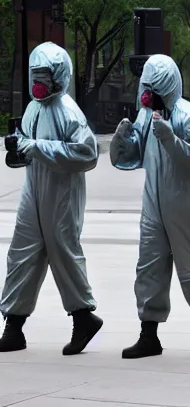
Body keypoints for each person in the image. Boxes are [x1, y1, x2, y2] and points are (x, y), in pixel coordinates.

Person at [110, 54, 190, 360]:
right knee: (149, 267)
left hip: (183, 203)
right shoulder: (146, 116)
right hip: (153, 203)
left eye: (152, 88)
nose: (147, 94)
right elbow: (135, 156)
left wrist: (174, 141)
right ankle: (149, 334)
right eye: (145, 87)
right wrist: (123, 141)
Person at [0, 42, 102, 355]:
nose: (38, 83)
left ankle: (83, 317)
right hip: (34, 188)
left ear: (59, 76)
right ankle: (13, 326)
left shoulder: (68, 112)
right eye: (35, 75)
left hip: (62, 191)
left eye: (44, 76)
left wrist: (39, 149)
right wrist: (20, 151)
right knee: (22, 252)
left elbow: (87, 154)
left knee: (63, 252)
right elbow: (28, 148)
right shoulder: (33, 108)